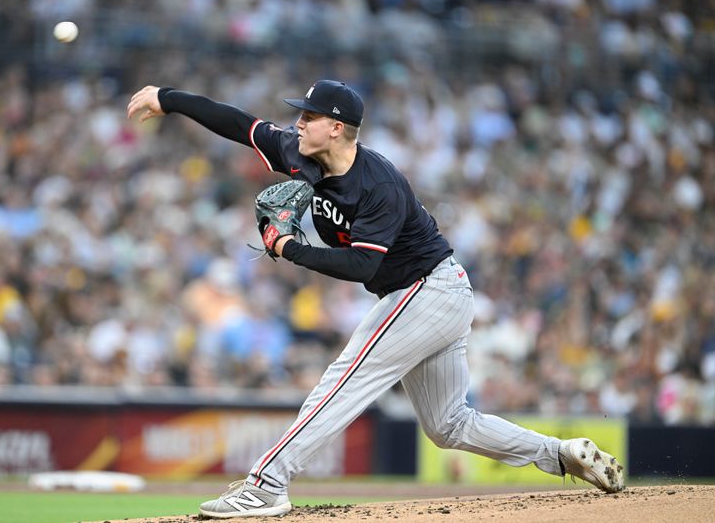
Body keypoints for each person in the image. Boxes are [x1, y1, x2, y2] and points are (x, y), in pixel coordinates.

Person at [127, 80, 624, 518]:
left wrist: (289, 248)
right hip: (428, 294)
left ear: (338, 128)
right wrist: (167, 99)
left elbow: (362, 265)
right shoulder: (299, 152)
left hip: (427, 289)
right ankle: (560, 455)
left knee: (344, 378)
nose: (297, 124)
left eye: (309, 117)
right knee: (449, 425)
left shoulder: (377, 183)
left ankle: (265, 485)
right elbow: (240, 124)